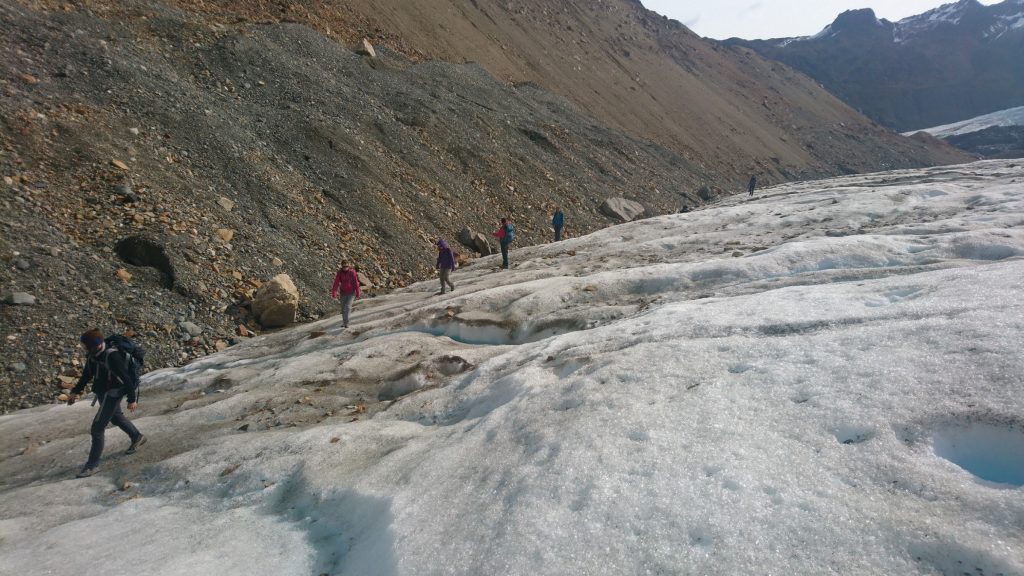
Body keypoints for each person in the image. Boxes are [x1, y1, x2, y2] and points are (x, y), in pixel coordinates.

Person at [67, 329, 146, 478]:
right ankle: (137, 437)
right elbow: (86, 375)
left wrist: (131, 399)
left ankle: (92, 465)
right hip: (102, 392)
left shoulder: (112, 356)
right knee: (115, 417)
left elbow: (126, 378)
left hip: (113, 393)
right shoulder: (92, 356)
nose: (83, 348)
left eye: (85, 345)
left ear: (94, 345)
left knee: (97, 428)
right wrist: (75, 392)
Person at [331, 262, 361, 328]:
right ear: (342, 266)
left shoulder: (352, 272)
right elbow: (336, 283)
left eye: (346, 266)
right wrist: (334, 293)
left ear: (348, 266)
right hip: (343, 292)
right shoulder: (339, 273)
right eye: (344, 266)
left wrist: (358, 292)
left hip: (351, 292)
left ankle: (346, 323)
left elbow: (356, 283)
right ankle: (344, 322)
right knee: (343, 308)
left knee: (347, 307)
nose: (345, 268)